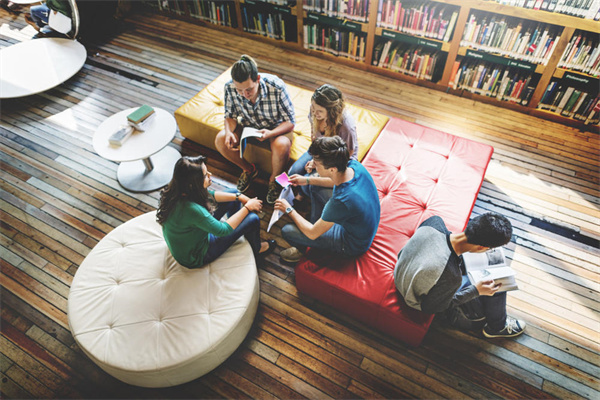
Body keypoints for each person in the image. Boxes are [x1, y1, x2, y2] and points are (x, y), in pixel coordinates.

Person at [394, 213, 526, 338]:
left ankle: (497, 323)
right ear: (481, 247)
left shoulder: (434, 222)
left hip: (401, 274)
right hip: (416, 298)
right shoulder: (450, 274)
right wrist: (476, 291)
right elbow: (432, 308)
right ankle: (497, 328)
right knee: (497, 285)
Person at [274, 136, 380, 263]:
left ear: (332, 169)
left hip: (352, 244)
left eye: (317, 164)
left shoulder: (341, 201)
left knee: (287, 231)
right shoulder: (353, 165)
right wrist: (307, 180)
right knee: (314, 186)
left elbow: (312, 233)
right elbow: (335, 181)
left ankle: (301, 250)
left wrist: (289, 209)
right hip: (363, 224)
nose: (313, 165)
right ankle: (319, 224)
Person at [157, 155, 275, 268]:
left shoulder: (179, 189)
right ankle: (257, 248)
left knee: (233, 193)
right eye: (205, 175)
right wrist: (247, 207)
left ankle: (237, 226)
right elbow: (222, 230)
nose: (210, 175)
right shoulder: (192, 210)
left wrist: (239, 196)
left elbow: (210, 195)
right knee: (253, 219)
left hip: (190, 239)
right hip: (196, 255)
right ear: (193, 184)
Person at [214, 54, 296, 205]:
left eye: (249, 89)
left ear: (258, 79)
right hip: (248, 125)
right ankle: (249, 170)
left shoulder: (276, 86)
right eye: (240, 90)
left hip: (276, 127)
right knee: (220, 140)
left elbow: (290, 122)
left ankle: (275, 181)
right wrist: (229, 132)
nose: (244, 95)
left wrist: (270, 133)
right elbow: (229, 115)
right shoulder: (229, 87)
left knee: (282, 145)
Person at [288, 84, 358, 223]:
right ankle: (301, 195)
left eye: (319, 111)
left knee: (312, 185)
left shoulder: (346, 125)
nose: (314, 113)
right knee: (293, 172)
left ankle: (315, 212)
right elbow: (314, 137)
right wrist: (315, 159)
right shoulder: (314, 112)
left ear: (331, 111)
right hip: (319, 150)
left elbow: (348, 152)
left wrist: (320, 164)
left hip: (338, 158)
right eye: (313, 108)